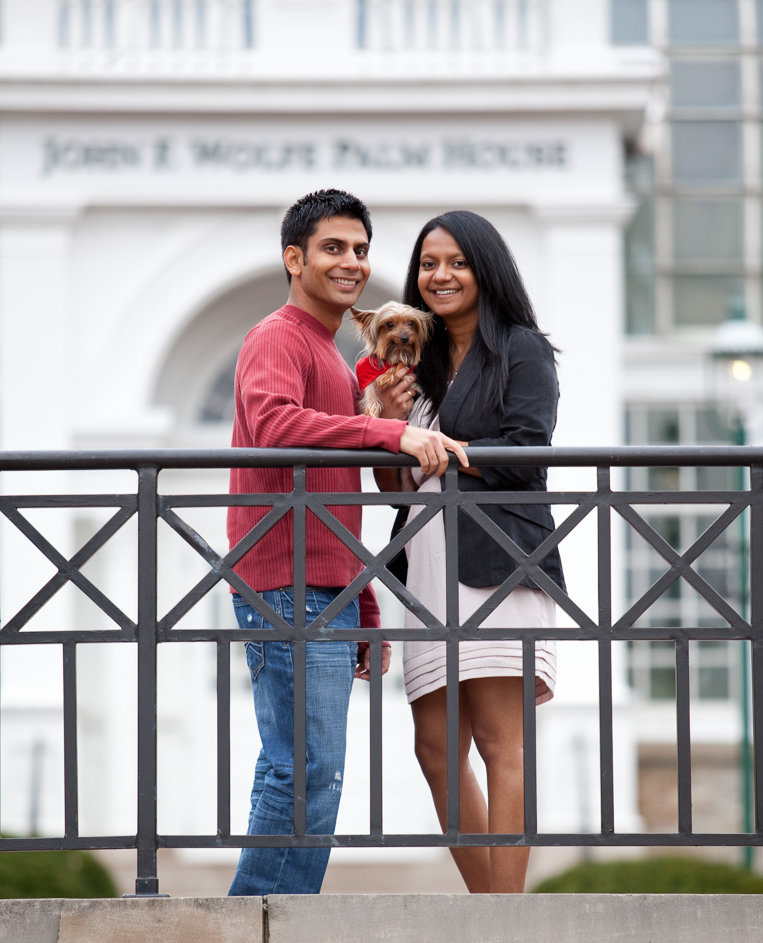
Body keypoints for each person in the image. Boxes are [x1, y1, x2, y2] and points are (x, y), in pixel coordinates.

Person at [227, 189, 467, 896]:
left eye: (361, 249)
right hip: (283, 578)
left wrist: (363, 605)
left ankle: (280, 919)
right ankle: (259, 921)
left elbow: (339, 495)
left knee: (315, 765)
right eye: (334, 248)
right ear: (293, 258)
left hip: (321, 581)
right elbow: (274, 427)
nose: (353, 262)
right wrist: (388, 429)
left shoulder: (331, 358)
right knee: (300, 765)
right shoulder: (277, 336)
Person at [378, 210, 566, 895]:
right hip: (426, 575)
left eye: (456, 261)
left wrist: (446, 453)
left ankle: (505, 919)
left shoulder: (520, 348)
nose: (440, 275)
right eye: (429, 264)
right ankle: (489, 907)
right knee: (435, 750)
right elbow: (399, 488)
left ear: (485, 269)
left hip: (495, 566)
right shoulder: (415, 364)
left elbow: (528, 452)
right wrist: (392, 431)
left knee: (497, 743)